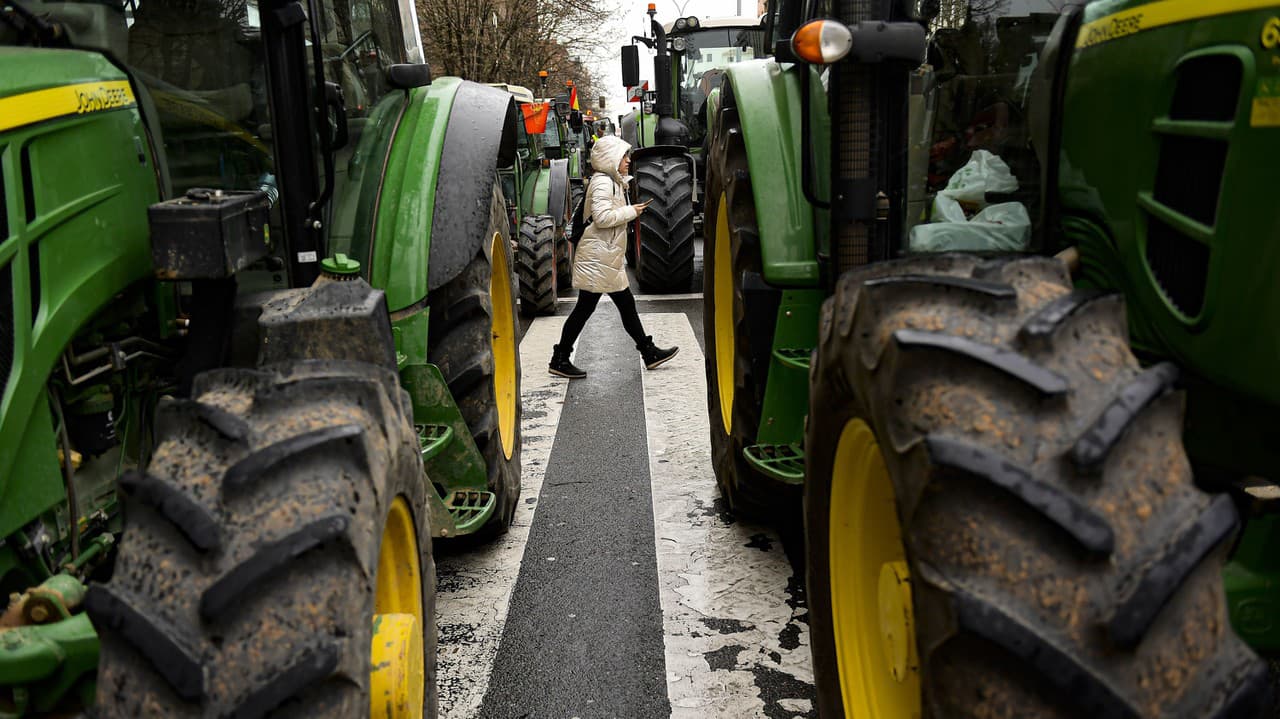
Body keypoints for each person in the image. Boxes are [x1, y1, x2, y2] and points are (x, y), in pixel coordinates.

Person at [549, 136, 678, 379]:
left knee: (613, 306)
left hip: (605, 256)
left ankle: (648, 352)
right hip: (599, 256)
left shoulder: (612, 181)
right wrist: (632, 211)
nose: (628, 160)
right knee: (591, 308)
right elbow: (603, 218)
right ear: (611, 158)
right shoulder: (602, 183)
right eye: (624, 156)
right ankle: (561, 358)